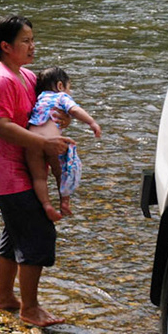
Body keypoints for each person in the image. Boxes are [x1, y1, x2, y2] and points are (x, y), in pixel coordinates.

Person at [0, 16, 77, 326]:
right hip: (8, 171)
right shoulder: (0, 80)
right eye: (26, 41)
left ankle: (6, 297)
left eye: (33, 39)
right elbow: (0, 126)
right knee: (37, 233)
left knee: (15, 231)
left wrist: (63, 119)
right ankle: (30, 308)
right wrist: (44, 144)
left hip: (22, 166)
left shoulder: (26, 76)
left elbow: (44, 108)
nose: (32, 46)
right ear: (6, 47)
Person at [24, 67, 103, 220]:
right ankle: (64, 202)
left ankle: (46, 205)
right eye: (69, 88)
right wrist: (92, 122)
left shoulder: (39, 99)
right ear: (60, 86)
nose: (70, 92)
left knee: (39, 178)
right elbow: (74, 110)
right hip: (52, 142)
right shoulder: (60, 96)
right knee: (61, 173)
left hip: (32, 142)